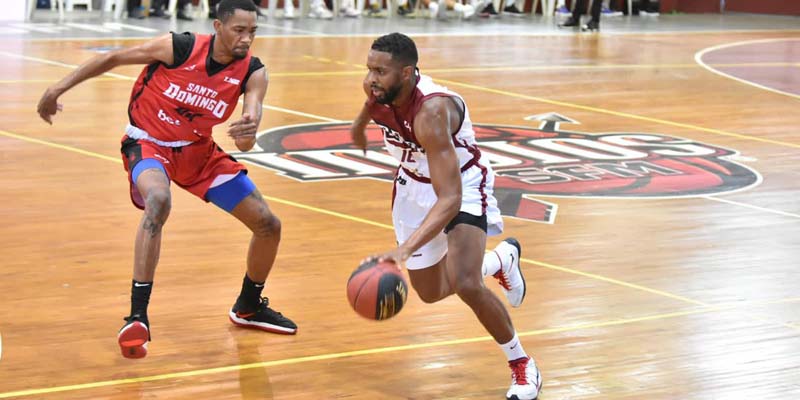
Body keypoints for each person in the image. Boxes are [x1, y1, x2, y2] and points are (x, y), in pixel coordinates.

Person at [36, 0, 297, 359]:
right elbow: (112, 58)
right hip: (148, 143)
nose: (247, 38)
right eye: (239, 30)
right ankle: (137, 316)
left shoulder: (253, 72)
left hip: (198, 152)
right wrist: (56, 90)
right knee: (159, 200)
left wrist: (248, 131)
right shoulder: (180, 47)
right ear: (218, 27)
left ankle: (249, 306)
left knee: (268, 225)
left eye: (253, 31)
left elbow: (246, 137)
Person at [350, 33, 542, 400]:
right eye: (369, 69)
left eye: (380, 72)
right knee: (431, 292)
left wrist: (404, 250)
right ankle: (500, 260)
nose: (371, 79)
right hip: (412, 187)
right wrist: (358, 125)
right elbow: (371, 102)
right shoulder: (379, 88)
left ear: (407, 73)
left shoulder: (432, 113)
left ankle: (521, 364)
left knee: (466, 284)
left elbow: (450, 199)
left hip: (462, 184)